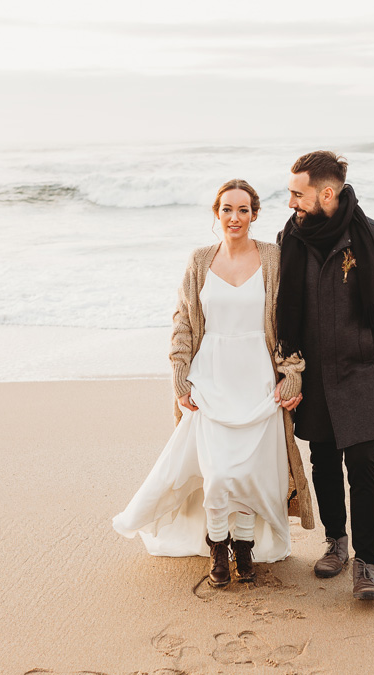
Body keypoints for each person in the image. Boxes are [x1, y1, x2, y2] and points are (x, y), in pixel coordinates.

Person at [113, 179, 315, 588]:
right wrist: (179, 373)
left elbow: (292, 320)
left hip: (258, 378)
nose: (234, 217)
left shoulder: (274, 257)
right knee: (219, 471)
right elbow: (184, 322)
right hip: (212, 376)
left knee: (249, 471)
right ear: (216, 213)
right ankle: (217, 543)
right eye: (227, 209)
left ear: (255, 215)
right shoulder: (200, 260)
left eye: (243, 210)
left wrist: (292, 374)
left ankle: (243, 547)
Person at [277, 151, 374, 601]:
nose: (291, 201)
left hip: (361, 370)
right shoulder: (290, 239)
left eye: (298, 193)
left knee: (363, 466)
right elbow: (277, 311)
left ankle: (367, 567)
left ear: (326, 193)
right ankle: (337, 542)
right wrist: (287, 370)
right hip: (312, 371)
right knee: (323, 460)